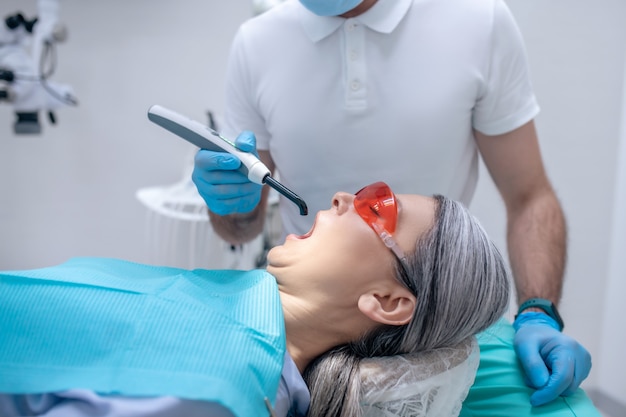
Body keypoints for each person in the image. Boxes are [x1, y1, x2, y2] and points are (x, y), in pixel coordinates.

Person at [190, 0, 600, 416]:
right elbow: (239, 228)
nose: (339, 198)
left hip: (437, 326)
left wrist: (538, 312)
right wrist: (232, 205)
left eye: (380, 208)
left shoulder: (479, 20)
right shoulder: (257, 43)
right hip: (303, 316)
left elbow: (529, 196)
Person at [0, 183, 509, 417]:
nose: (341, 198)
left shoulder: (219, 390)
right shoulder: (230, 305)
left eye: (379, 206)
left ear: (385, 300)